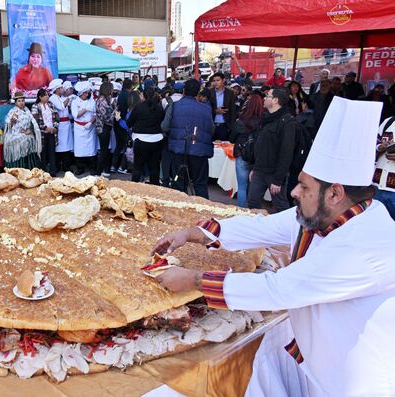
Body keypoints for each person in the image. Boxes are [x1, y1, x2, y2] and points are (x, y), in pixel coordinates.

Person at [151, 97, 394, 397]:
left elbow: (277, 289)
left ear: (335, 194)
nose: (294, 191)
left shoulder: (367, 247)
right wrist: (192, 232)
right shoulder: (322, 216)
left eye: (304, 187)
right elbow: (262, 227)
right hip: (312, 362)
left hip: (354, 383)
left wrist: (194, 280)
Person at [161, 79, 214, 197]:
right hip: (199, 151)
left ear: (184, 91)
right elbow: (211, 129)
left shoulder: (174, 106)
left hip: (178, 150)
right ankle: (204, 212)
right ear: (198, 93)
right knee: (200, 185)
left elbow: (164, 127)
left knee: (179, 185)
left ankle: (178, 212)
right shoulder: (206, 109)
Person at [248, 87, 296, 212]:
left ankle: (284, 230)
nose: (264, 98)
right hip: (259, 170)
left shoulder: (287, 122)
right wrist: (254, 167)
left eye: (267, 96)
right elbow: (260, 145)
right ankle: (259, 227)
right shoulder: (266, 118)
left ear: (275, 100)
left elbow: (286, 153)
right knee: (252, 201)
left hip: (274, 173)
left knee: (280, 206)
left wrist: (278, 180)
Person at [230, 94, 264, 208]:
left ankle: (241, 212)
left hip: (242, 154)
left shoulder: (241, 120)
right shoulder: (264, 121)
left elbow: (231, 138)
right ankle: (252, 212)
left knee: (242, 187)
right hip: (258, 157)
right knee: (254, 188)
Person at [127, 86, 165, 185]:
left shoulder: (138, 107)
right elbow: (162, 120)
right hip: (157, 140)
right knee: (154, 168)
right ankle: (155, 190)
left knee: (138, 167)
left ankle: (134, 189)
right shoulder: (159, 108)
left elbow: (129, 123)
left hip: (141, 140)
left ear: (143, 96)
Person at [3, 92, 42, 169]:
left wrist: (30, 130)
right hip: (15, 134)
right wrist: (12, 121)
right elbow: (7, 125)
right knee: (20, 141)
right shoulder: (13, 111)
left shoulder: (27, 110)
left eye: (22, 101)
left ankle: (30, 170)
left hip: (27, 133)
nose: (21, 103)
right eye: (19, 101)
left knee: (30, 139)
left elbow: (32, 123)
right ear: (16, 102)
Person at [70, 81, 97, 175]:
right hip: (79, 128)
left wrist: (90, 122)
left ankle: (92, 168)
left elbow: (95, 114)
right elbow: (75, 115)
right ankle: (80, 167)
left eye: (87, 92)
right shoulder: (75, 102)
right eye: (85, 93)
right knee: (79, 148)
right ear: (81, 93)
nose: (87, 94)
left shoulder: (92, 101)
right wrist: (85, 109)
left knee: (91, 148)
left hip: (90, 127)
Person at [32, 88, 58, 175]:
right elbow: (35, 120)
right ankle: (43, 171)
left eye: (48, 95)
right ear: (40, 97)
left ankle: (53, 171)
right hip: (42, 133)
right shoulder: (35, 106)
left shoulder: (51, 105)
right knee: (43, 152)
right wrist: (46, 128)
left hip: (52, 132)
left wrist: (54, 127)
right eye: (45, 95)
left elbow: (56, 117)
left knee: (52, 152)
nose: (47, 97)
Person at [49, 80, 73, 172]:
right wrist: (69, 98)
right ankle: (58, 166)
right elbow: (61, 107)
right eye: (61, 88)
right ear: (57, 89)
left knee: (67, 146)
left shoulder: (60, 97)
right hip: (60, 125)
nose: (63, 89)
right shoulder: (53, 98)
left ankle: (66, 166)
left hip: (66, 124)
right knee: (59, 146)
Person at [374, 116, 395, 219]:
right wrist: (380, 147)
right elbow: (370, 144)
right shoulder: (388, 121)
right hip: (377, 187)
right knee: (376, 228)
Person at [95, 81, 116, 177]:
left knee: (106, 149)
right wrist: (114, 113)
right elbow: (105, 117)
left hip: (106, 127)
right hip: (103, 128)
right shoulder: (101, 101)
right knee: (103, 150)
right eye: (111, 89)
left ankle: (106, 170)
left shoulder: (106, 100)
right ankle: (98, 172)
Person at [209, 72, 236, 141]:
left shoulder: (230, 93)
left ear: (223, 80)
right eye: (214, 81)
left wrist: (231, 127)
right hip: (212, 125)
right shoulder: (210, 92)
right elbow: (206, 108)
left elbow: (233, 111)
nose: (216, 83)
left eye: (218, 80)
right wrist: (215, 111)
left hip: (225, 125)